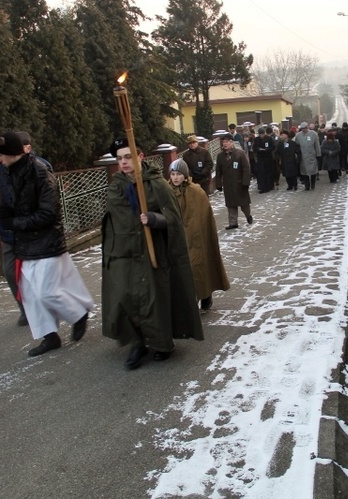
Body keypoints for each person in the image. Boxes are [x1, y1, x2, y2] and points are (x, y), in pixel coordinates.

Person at [102, 137, 204, 370]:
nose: (123, 162)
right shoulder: (116, 184)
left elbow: (173, 218)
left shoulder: (157, 184)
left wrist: (155, 219)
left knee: (153, 298)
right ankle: (137, 343)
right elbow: (114, 218)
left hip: (153, 250)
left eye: (128, 157)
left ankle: (161, 343)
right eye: (119, 159)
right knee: (126, 296)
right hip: (125, 251)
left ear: (140, 156)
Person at [0, 131, 93, 357]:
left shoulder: (39, 172)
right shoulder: (9, 173)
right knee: (30, 294)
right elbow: (17, 203)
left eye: (2, 155)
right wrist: (6, 214)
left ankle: (77, 314)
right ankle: (50, 336)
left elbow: (49, 213)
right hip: (25, 243)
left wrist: (15, 221)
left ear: (13, 153)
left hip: (46, 242)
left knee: (47, 291)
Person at [0, 131, 52, 327]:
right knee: (9, 272)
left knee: (38, 277)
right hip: (10, 234)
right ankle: (25, 309)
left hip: (32, 233)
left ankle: (52, 312)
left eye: (1, 155)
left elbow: (45, 207)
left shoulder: (39, 169)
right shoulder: (1, 173)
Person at [167, 158, 230, 311]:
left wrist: (196, 233)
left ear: (185, 175)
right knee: (181, 272)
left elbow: (203, 216)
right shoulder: (166, 191)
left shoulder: (196, 191)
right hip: (176, 238)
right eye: (173, 174)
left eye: (179, 174)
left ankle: (205, 294)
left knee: (197, 267)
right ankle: (187, 301)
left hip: (196, 237)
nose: (175, 177)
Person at [215, 133, 253, 230]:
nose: (225, 144)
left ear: (232, 142)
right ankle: (233, 223)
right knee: (231, 205)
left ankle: (248, 215)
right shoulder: (220, 156)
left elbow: (246, 168)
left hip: (240, 184)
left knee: (244, 204)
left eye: (227, 142)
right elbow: (218, 171)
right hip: (228, 185)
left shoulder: (240, 153)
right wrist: (218, 183)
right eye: (223, 142)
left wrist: (246, 182)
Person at [294, 122, 321, 190]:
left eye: (305, 128)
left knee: (313, 170)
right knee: (304, 171)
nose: (304, 130)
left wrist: (318, 154)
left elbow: (317, 145)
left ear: (307, 127)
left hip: (311, 155)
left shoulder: (313, 134)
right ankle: (307, 185)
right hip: (303, 156)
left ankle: (313, 183)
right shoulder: (298, 135)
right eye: (302, 128)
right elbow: (295, 145)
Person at [252, 127, 274, 193]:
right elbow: (254, 148)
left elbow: (273, 146)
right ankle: (262, 187)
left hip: (268, 157)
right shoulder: (256, 139)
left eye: (262, 134)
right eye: (260, 134)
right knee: (261, 173)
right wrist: (258, 149)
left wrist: (267, 150)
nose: (261, 136)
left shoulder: (269, 138)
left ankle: (269, 186)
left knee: (268, 172)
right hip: (260, 158)